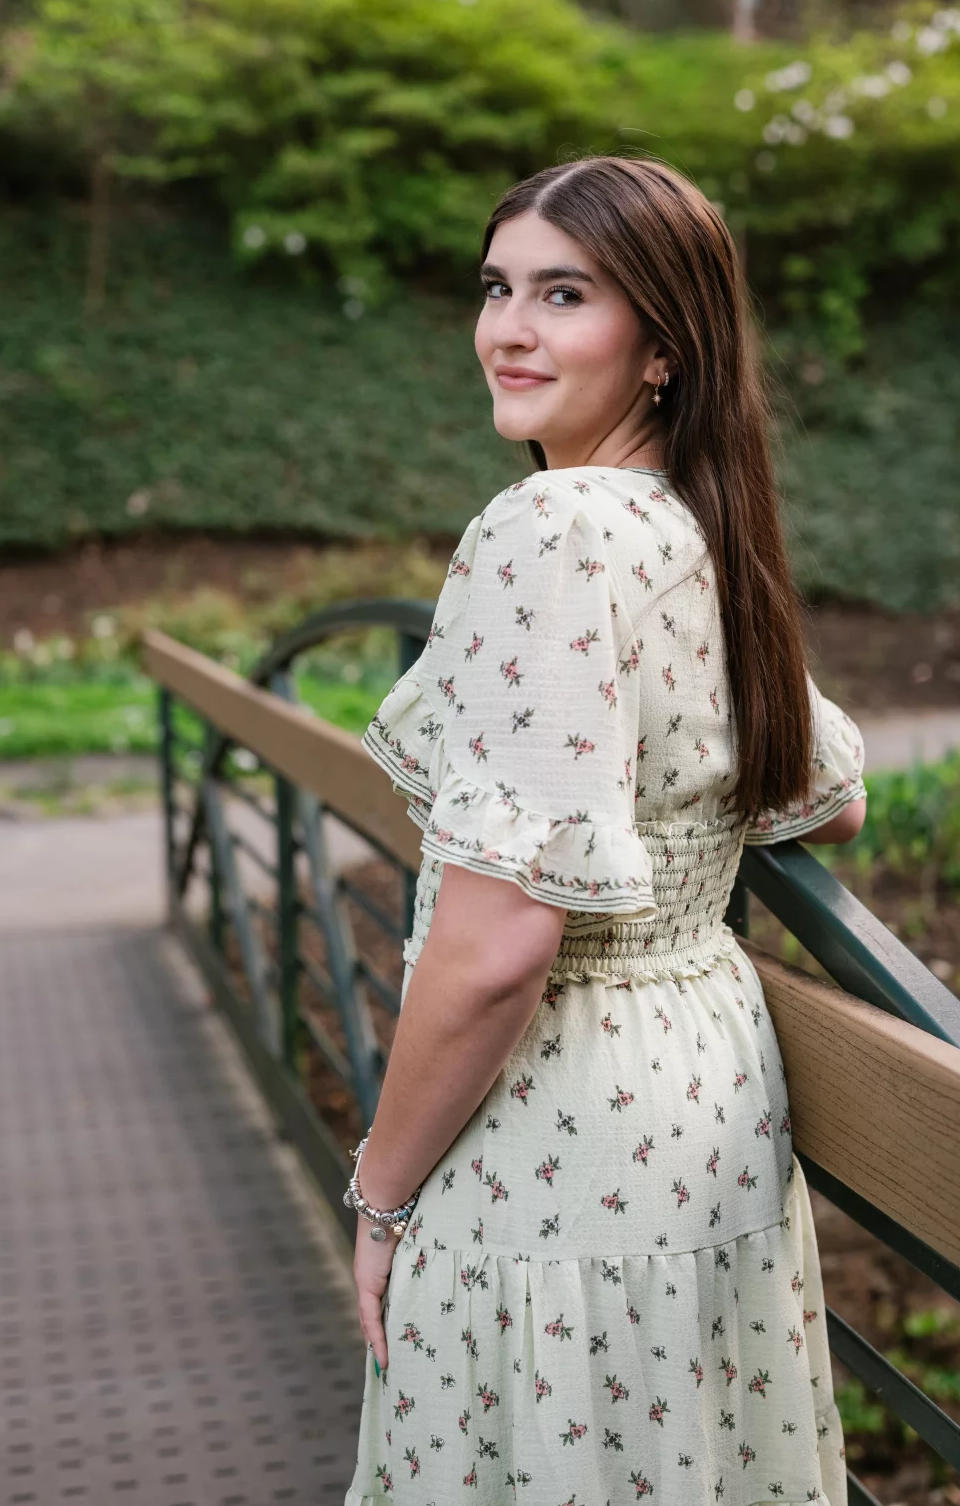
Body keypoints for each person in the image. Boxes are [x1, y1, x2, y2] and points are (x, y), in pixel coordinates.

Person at [343, 156, 864, 1506]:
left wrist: (383, 1193)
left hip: (556, 1121)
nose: (506, 329)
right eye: (497, 286)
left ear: (661, 350)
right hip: (704, 1099)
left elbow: (504, 938)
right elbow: (830, 786)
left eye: (563, 293)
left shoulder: (553, 528)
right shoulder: (697, 524)